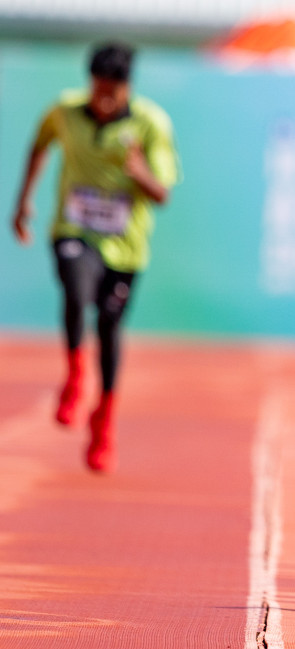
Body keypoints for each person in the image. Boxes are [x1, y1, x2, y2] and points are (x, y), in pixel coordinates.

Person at [10, 41, 179, 473]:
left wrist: (139, 172)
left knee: (108, 325)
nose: (104, 100)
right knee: (74, 288)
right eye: (98, 89)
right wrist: (23, 201)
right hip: (74, 229)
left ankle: (104, 420)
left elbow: (162, 194)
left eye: (114, 92)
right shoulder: (65, 111)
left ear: (128, 89)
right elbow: (39, 144)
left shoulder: (150, 124)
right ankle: (73, 376)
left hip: (125, 247)